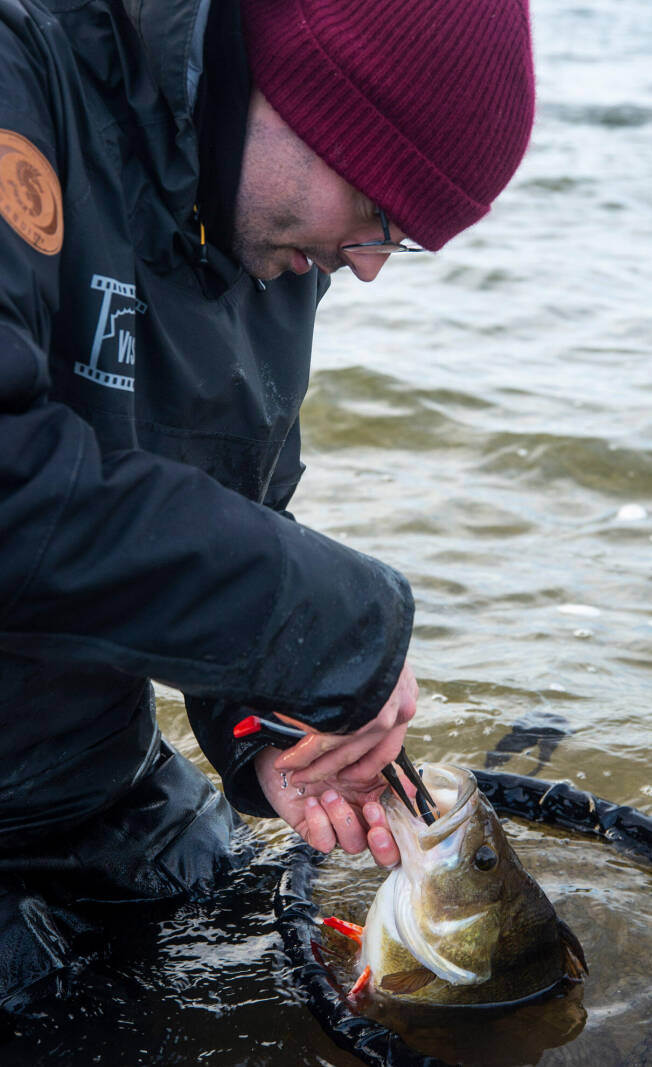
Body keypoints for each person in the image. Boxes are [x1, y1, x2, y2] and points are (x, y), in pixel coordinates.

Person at [0, 0, 535, 1010]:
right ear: (296, 92)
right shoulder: (20, 64)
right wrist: (327, 623)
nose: (367, 265)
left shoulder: (276, 236)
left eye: (403, 243)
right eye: (377, 210)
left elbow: (221, 521)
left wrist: (273, 724)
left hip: (93, 783)